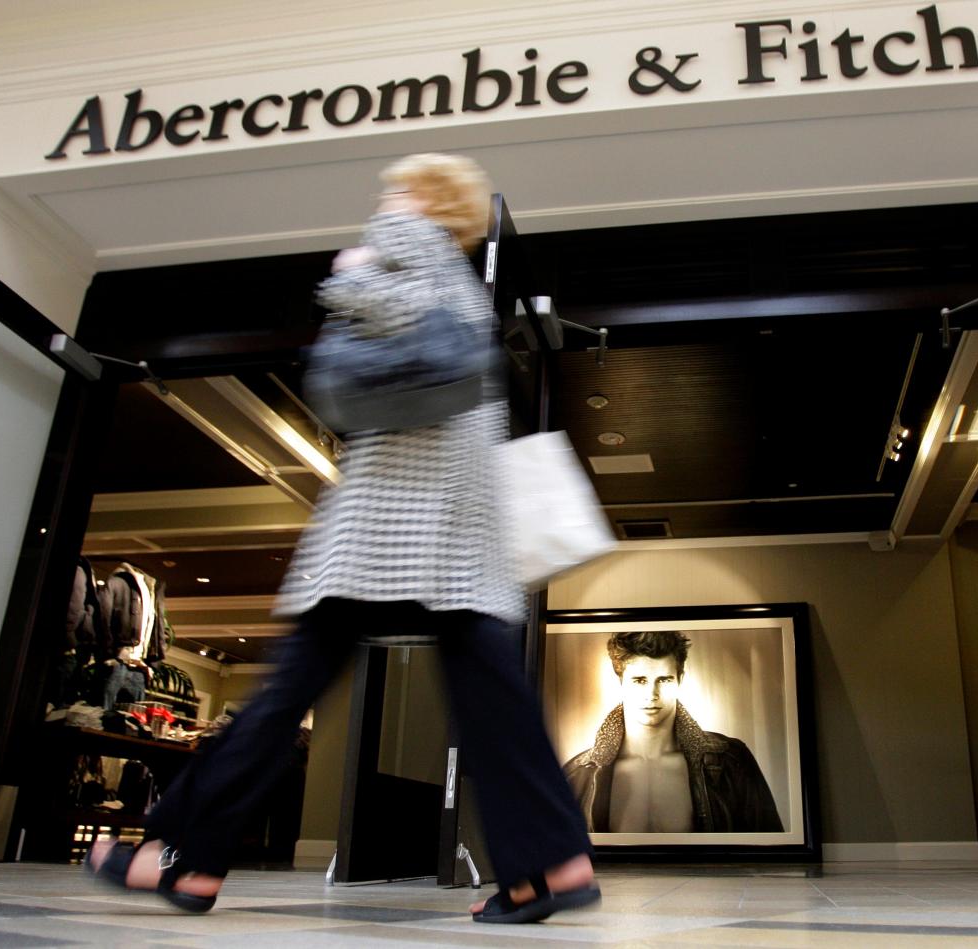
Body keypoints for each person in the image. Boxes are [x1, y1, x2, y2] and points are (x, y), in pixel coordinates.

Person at [86, 153, 599, 925]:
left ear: (424, 200)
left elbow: (368, 374)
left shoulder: (398, 250)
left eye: (400, 189)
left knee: (283, 695)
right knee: (495, 702)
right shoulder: (461, 282)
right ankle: (548, 863)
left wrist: (352, 272)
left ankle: (183, 855)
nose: (386, 199)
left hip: (384, 527)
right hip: (455, 534)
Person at [562, 631, 782, 833]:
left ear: (680, 680)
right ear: (621, 682)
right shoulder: (577, 775)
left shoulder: (731, 760)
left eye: (664, 680)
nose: (651, 694)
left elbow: (774, 856)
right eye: (639, 680)